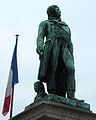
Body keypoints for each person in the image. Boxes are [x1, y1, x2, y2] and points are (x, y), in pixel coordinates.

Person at [36, 5, 75, 99]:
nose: (59, 10)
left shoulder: (66, 26)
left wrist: (71, 52)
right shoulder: (45, 23)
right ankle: (52, 93)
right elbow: (40, 36)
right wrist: (39, 45)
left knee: (71, 69)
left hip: (65, 48)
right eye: (57, 9)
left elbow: (70, 41)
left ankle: (71, 96)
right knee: (53, 69)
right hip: (52, 46)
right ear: (51, 12)